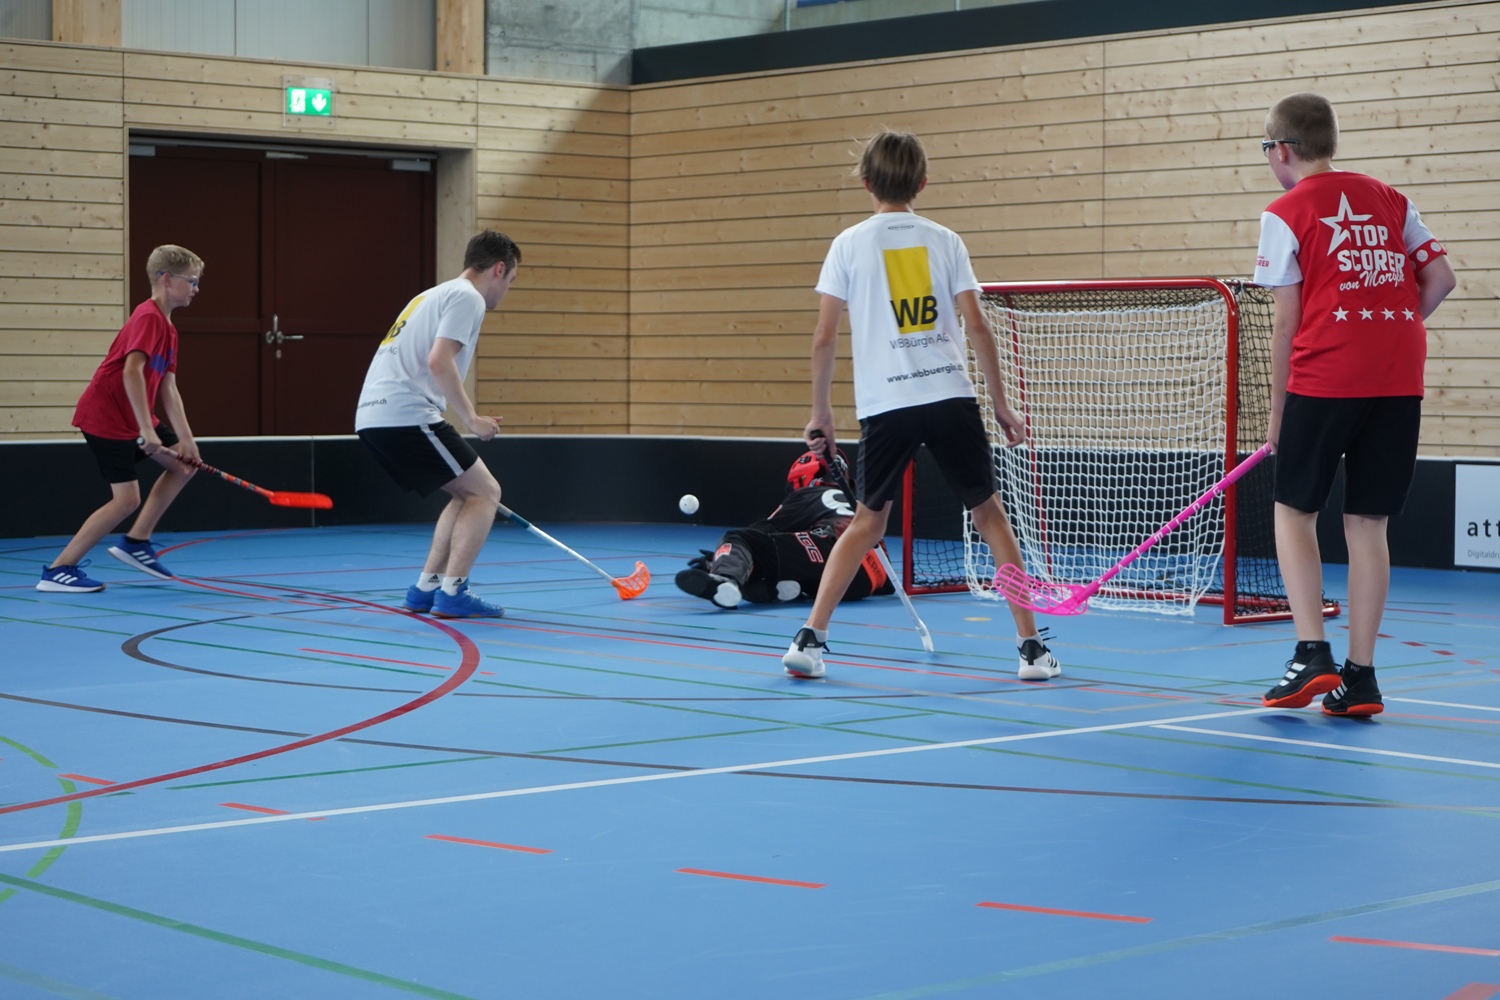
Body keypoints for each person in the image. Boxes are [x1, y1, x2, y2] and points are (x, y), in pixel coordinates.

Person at [781, 130, 1061, 682]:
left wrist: (821, 413)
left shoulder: (848, 244)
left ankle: (810, 640)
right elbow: (977, 325)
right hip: (950, 395)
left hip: (887, 404)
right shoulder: (945, 240)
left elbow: (824, 336)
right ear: (923, 182)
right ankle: (1031, 650)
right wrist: (1001, 403)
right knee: (989, 516)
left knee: (866, 524)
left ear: (865, 182)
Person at [1254, 93, 1456, 717]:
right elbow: (1441, 278)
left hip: (1325, 375)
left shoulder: (1284, 211)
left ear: (1280, 150)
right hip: (1398, 377)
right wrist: (1388, 328)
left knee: (1294, 512)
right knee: (1369, 524)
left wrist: (1277, 411)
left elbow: (1286, 323)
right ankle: (1360, 679)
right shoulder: (1391, 198)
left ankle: (1310, 652)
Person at [355, 230, 521, 619]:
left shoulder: (428, 295)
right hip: (405, 414)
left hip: (373, 417)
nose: (506, 290)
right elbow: (438, 360)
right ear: (498, 269)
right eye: (511, 280)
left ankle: (426, 588)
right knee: (486, 492)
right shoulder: (468, 297)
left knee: (466, 494)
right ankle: (454, 592)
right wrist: (472, 419)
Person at [38, 245, 204, 592]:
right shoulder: (148, 317)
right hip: (107, 416)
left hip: (133, 417)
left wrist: (187, 438)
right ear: (166, 279)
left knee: (184, 465)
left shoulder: (169, 329)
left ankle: (136, 542)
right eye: (191, 281)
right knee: (126, 499)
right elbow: (131, 371)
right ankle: (58, 570)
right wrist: (146, 429)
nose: (196, 288)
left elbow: (168, 386)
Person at [675, 445, 894, 608]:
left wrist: (719, 559)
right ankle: (778, 589)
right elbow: (887, 582)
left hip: (833, 547)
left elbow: (758, 534)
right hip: (865, 581)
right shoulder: (858, 505)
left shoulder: (807, 495)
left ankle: (724, 580)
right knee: (775, 560)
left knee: (739, 539)